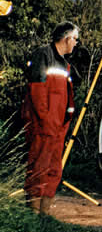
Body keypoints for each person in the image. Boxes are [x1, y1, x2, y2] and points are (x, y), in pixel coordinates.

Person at [21, 21, 78, 214]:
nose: (76, 43)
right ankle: (33, 213)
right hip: (43, 126)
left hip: (58, 128)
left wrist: (64, 121)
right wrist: (45, 122)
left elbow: (66, 96)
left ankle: (45, 215)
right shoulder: (43, 55)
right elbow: (37, 93)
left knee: (54, 169)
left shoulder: (65, 64)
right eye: (75, 39)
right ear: (66, 38)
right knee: (39, 167)